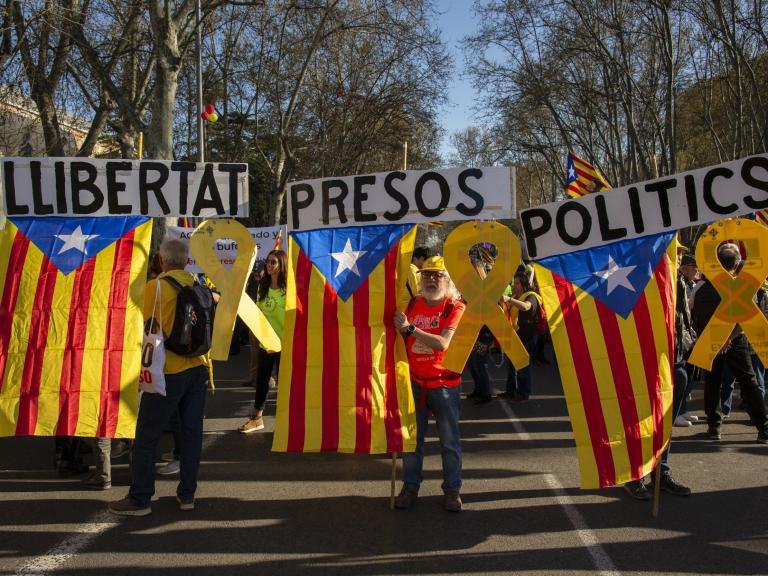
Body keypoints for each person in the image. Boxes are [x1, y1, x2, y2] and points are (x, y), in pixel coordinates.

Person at [108, 239, 211, 516]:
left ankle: (140, 498)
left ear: (162, 260)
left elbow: (134, 316)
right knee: (191, 435)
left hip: (166, 371)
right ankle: (187, 495)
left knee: (146, 435)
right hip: (198, 366)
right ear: (186, 260)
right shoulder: (197, 284)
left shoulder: (155, 287)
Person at [393, 256, 466, 512]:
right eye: (427, 275)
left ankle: (452, 491)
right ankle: (410, 488)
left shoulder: (454, 307)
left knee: (449, 442)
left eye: (438, 275)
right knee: (412, 441)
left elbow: (443, 343)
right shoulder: (413, 303)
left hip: (444, 386)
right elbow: (400, 334)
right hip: (415, 383)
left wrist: (410, 329)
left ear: (448, 280)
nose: (431, 279)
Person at [624, 244, 694, 499]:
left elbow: (684, 317)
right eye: (673, 251)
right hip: (646, 362)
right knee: (641, 421)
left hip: (676, 361)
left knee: (665, 425)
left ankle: (660, 473)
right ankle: (635, 475)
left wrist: (689, 341)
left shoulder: (679, 280)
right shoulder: (641, 275)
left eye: (677, 252)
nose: (677, 255)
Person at [693, 243, 768, 444]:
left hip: (710, 340)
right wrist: (730, 337)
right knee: (749, 383)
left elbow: (694, 314)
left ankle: (714, 426)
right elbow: (750, 317)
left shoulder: (700, 287)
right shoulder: (744, 286)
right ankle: (763, 428)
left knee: (713, 382)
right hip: (736, 341)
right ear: (736, 264)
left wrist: (718, 338)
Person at [239, 250, 287, 433]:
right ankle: (257, 418)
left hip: (284, 343)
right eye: (267, 261)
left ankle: (286, 421)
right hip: (265, 343)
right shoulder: (262, 286)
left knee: (285, 383)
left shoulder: (289, 289)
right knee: (262, 381)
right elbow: (258, 313)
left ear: (281, 265)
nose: (268, 265)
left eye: (273, 262)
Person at [499, 265, 541, 402]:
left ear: (523, 283)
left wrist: (509, 300)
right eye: (514, 283)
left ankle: (523, 394)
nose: (515, 286)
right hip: (514, 336)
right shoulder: (516, 296)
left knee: (523, 367)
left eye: (517, 283)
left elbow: (526, 307)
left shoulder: (531, 296)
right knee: (510, 366)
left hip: (527, 338)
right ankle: (510, 392)